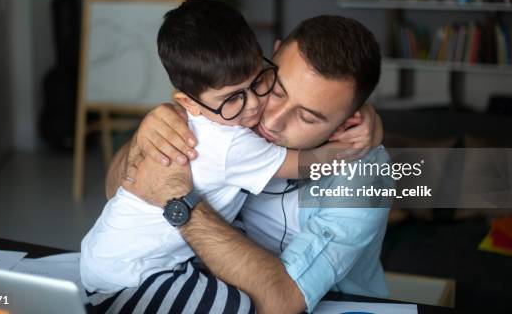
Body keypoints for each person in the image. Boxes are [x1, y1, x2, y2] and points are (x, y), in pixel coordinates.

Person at [94, 15, 389, 313]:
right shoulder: (240, 106)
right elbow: (114, 190)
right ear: (268, 60)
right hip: (199, 283)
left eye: (308, 117)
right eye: (276, 90)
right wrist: (144, 139)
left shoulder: (363, 176)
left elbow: (282, 303)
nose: (271, 122)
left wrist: (180, 203)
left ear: (348, 121)